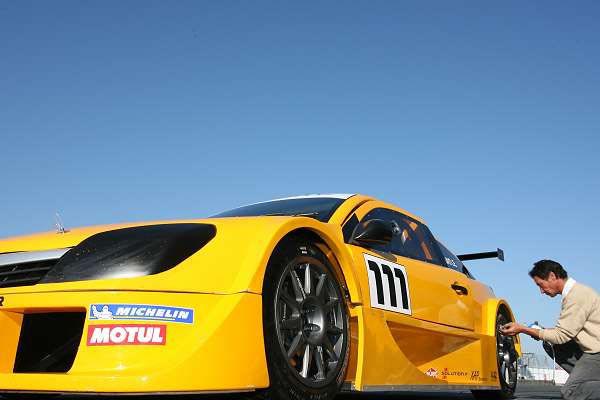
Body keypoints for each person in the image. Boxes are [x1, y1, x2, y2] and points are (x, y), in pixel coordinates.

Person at [501, 260, 600, 400]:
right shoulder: (575, 293)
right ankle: (585, 380)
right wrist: (540, 331)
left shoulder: (577, 296)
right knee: (551, 344)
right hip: (591, 350)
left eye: (540, 285)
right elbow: (564, 332)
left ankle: (580, 384)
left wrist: (523, 329)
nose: (541, 291)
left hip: (596, 353)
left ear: (552, 276)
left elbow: (561, 336)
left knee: (570, 392)